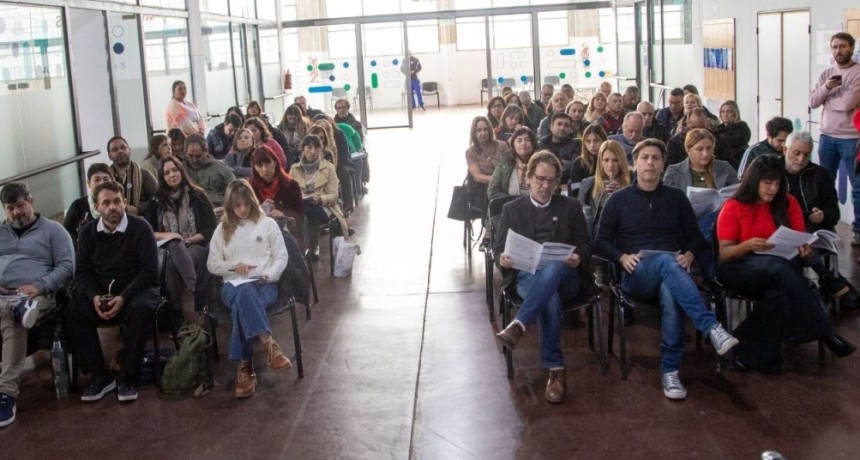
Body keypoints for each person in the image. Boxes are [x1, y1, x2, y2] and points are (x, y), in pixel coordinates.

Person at [594, 138, 738, 400]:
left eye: (656, 158)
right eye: (645, 157)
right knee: (663, 262)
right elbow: (599, 242)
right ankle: (710, 327)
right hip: (635, 273)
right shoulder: (618, 200)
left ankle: (670, 371)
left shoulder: (676, 198)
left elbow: (695, 236)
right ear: (635, 164)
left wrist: (690, 254)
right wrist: (621, 257)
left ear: (663, 166)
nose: (650, 162)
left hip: (671, 272)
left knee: (671, 290)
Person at [715, 155, 855, 374]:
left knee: (778, 296)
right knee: (780, 269)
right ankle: (826, 331)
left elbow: (798, 238)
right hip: (740, 266)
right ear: (754, 181)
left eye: (777, 183)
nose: (773, 189)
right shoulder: (734, 206)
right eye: (767, 183)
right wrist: (747, 245)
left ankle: (747, 351)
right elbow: (724, 254)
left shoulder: (788, 203)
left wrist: (803, 249)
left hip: (781, 266)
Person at [494, 151, 593, 404]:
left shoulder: (570, 207)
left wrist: (578, 257)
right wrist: (503, 259)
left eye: (551, 181)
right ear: (528, 178)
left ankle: (519, 325)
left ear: (557, 182)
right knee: (549, 298)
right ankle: (555, 370)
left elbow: (585, 244)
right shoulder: (511, 210)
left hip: (567, 277)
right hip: (528, 276)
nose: (545, 185)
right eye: (539, 179)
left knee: (554, 270)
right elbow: (498, 250)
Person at [64, 181, 159, 403]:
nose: (112, 207)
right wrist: (95, 297)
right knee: (73, 311)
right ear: (97, 207)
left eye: (117, 201)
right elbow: (83, 273)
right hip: (102, 295)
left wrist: (123, 297)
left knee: (143, 309)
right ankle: (100, 375)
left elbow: (149, 272)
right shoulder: (87, 233)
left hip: (135, 292)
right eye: (106, 203)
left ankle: (129, 375)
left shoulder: (141, 227)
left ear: (125, 202)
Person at [206, 180, 292, 399]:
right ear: (230, 206)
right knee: (243, 294)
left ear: (253, 202)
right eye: (237, 206)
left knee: (241, 307)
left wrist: (269, 275)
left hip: (263, 284)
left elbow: (281, 256)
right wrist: (233, 266)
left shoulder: (268, 224)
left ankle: (245, 366)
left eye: (246, 204)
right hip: (232, 286)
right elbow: (212, 264)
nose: (242, 210)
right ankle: (268, 343)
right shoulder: (222, 229)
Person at [0, 183, 74, 427]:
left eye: (20, 205)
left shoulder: (54, 231)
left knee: (14, 318)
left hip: (37, 295)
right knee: (11, 312)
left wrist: (40, 285)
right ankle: (13, 308)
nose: (16, 213)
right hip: (3, 294)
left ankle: (6, 395)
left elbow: (66, 267)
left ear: (31, 201)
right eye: (10, 208)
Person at [782, 131, 856, 305]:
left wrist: (823, 216)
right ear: (785, 149)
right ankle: (827, 278)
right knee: (798, 242)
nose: (801, 159)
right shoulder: (772, 172)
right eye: (796, 153)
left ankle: (805, 292)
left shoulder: (820, 174)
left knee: (802, 241)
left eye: (806, 155)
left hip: (812, 227)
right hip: (780, 227)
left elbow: (834, 213)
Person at [143, 155, 216, 324]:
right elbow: (149, 230)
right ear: (162, 177)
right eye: (167, 173)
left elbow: (210, 227)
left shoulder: (197, 195)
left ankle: (177, 311)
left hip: (196, 245)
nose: (172, 175)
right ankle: (199, 295)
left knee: (173, 262)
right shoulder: (156, 200)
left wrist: (189, 241)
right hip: (167, 248)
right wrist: (172, 236)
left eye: (175, 170)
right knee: (174, 248)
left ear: (181, 171)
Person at [809, 32, 860, 245]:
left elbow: (848, 104)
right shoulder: (827, 74)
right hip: (827, 137)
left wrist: (826, 100)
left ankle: (858, 229)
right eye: (834, 47)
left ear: (851, 48)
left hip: (851, 137)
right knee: (823, 183)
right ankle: (824, 226)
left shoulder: (857, 73)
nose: (838, 51)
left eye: (842, 46)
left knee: (857, 185)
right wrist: (827, 88)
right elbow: (812, 101)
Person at [663, 128, 739, 238]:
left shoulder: (724, 168)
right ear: (688, 149)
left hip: (720, 221)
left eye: (709, 148)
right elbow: (668, 204)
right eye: (700, 149)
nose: (705, 153)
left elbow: (739, 194)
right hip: (688, 223)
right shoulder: (674, 171)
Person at [290, 134, 349, 260]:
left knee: (303, 216)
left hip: (324, 206)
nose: (313, 152)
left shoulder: (328, 168)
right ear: (303, 149)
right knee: (302, 215)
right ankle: (306, 249)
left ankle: (305, 250)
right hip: (302, 205)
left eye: (317, 148)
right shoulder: (294, 169)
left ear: (321, 150)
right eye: (309, 148)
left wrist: (320, 199)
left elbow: (334, 194)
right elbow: (290, 191)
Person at [249, 145, 305, 243]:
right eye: (259, 165)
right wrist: (262, 209)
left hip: (286, 231)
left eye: (267, 163)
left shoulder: (291, 185)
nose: (265, 169)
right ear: (255, 168)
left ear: (275, 162)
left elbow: (299, 215)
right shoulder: (250, 187)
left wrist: (282, 213)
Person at [577, 140, 631, 235]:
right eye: (606, 160)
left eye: (615, 160)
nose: (610, 165)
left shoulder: (632, 184)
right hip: (595, 236)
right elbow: (579, 217)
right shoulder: (587, 184)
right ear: (600, 162)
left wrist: (622, 195)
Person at [63, 163, 114, 247]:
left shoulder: (117, 204)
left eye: (106, 179)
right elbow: (67, 230)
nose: (101, 183)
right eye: (97, 180)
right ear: (89, 183)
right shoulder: (78, 205)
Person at [106, 135, 158, 216]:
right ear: (109, 155)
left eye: (123, 147)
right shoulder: (106, 178)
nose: (120, 151)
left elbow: (157, 199)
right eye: (115, 149)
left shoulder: (144, 174)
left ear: (129, 151)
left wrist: (138, 209)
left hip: (140, 221)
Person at [184, 134, 235, 209]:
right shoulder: (180, 169)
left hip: (217, 209)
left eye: (198, 156)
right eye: (190, 156)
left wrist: (225, 209)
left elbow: (235, 194)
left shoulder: (223, 169)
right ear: (185, 152)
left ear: (206, 150)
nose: (194, 160)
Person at [488, 127, 537, 201]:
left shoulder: (542, 163)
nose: (523, 143)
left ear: (533, 144)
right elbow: (493, 192)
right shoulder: (505, 163)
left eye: (528, 140)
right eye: (519, 140)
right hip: (510, 208)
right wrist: (513, 204)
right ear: (513, 145)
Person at [466, 116, 509, 197]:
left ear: (490, 130)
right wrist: (498, 179)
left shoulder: (502, 145)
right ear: (474, 133)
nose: (483, 133)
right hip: (484, 187)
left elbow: (511, 166)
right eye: (479, 130)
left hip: (506, 184)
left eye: (485, 129)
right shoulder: (470, 153)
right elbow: (478, 177)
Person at [539, 112, 582, 182]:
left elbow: (574, 167)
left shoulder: (576, 144)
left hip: (566, 183)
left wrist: (549, 164)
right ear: (551, 127)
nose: (562, 128)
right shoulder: (542, 144)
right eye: (559, 124)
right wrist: (563, 162)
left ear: (571, 129)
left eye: (566, 125)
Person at [712, 100, 751, 169]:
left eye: (729, 112)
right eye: (723, 112)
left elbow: (738, 140)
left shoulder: (741, 126)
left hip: (737, 160)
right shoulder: (718, 129)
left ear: (735, 113)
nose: (725, 114)